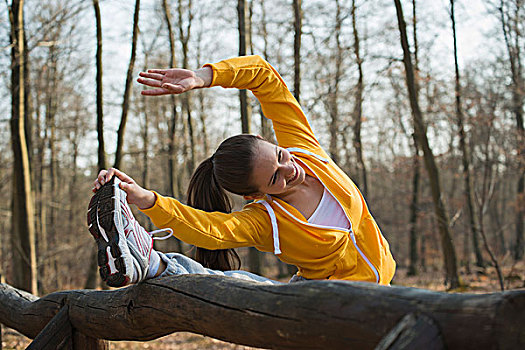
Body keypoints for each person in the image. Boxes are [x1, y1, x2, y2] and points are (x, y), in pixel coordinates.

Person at [89, 55, 396, 287]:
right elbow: (211, 229)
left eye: (280, 156)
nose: (290, 170)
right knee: (244, 289)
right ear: (255, 194)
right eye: (275, 178)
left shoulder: (305, 150)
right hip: (328, 303)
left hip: (384, 287)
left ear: (267, 140)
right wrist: (147, 200)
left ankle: (151, 261)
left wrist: (202, 77)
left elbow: (264, 76)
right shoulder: (267, 220)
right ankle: (154, 263)